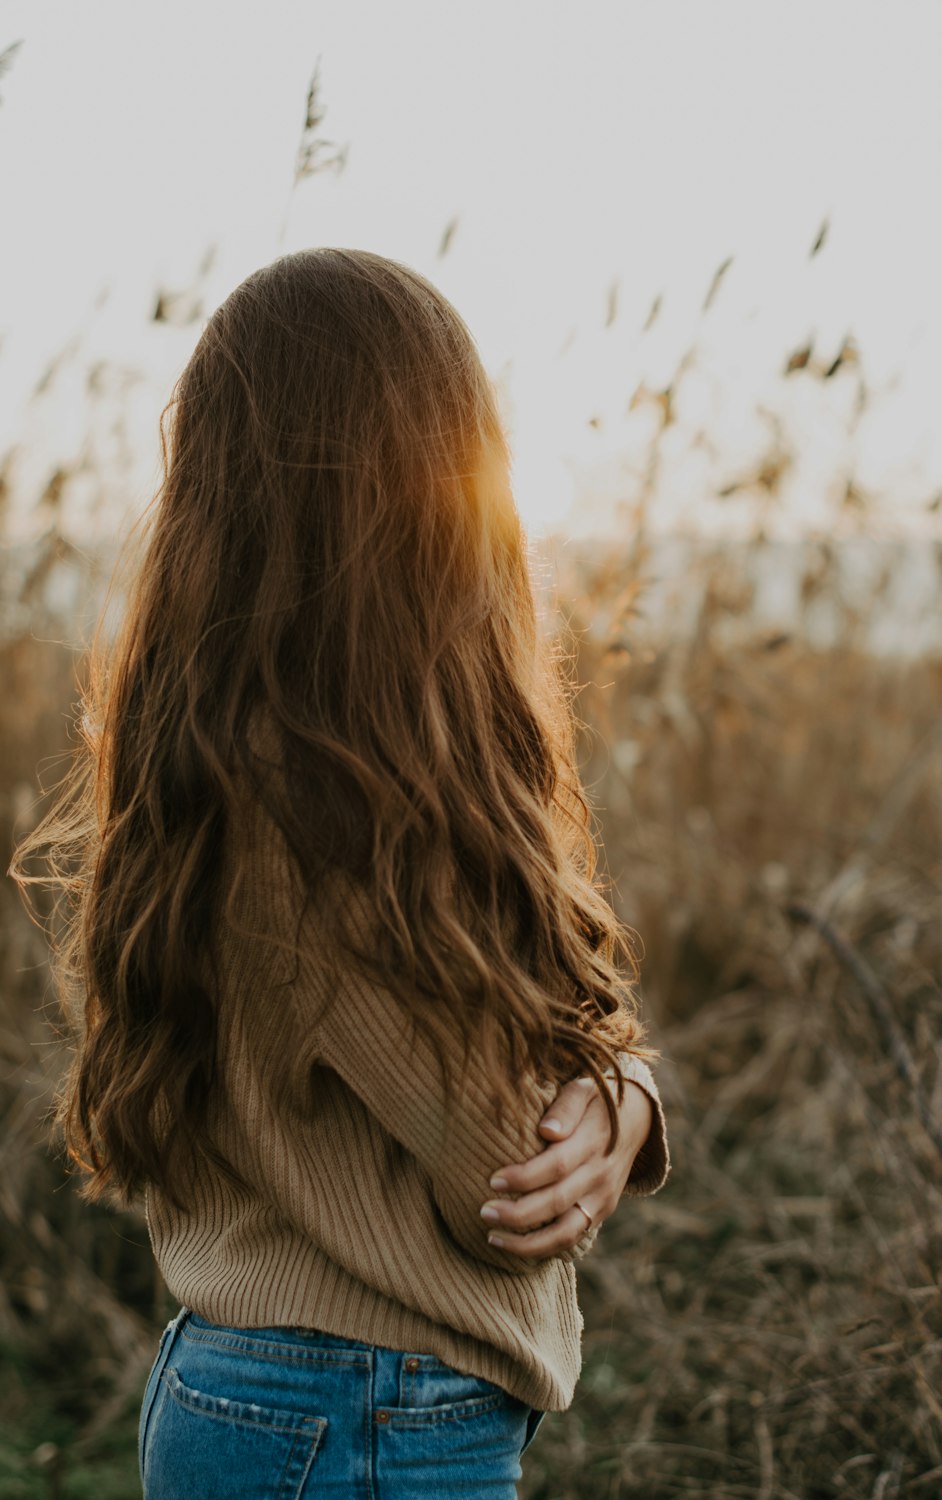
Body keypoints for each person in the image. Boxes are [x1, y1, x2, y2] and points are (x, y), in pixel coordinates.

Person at [9, 246, 671, 1498]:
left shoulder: (216, 758)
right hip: (358, 1424)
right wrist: (615, 1096)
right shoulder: (327, 817)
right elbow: (507, 1180)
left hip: (271, 1403)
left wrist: (624, 1097)